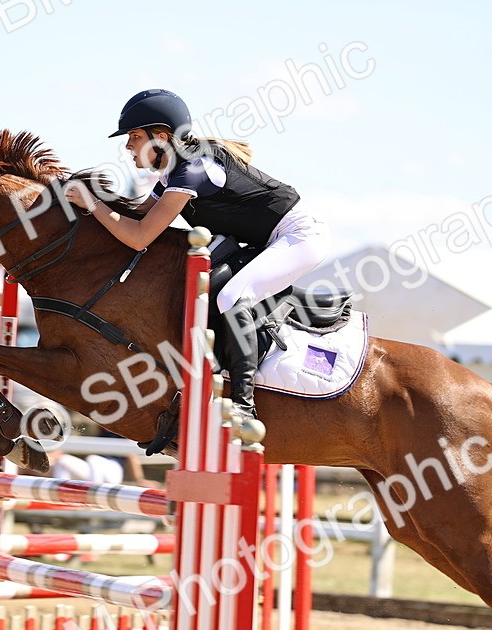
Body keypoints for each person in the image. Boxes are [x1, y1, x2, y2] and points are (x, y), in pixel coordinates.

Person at [64, 89, 331, 420]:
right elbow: (134, 217)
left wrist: (92, 203)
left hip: (299, 236)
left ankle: (243, 406)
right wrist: (88, 202)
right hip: (266, 241)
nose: (128, 146)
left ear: (160, 137)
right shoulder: (172, 174)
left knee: (232, 297)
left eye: (134, 136)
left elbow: (139, 237)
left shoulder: (195, 170)